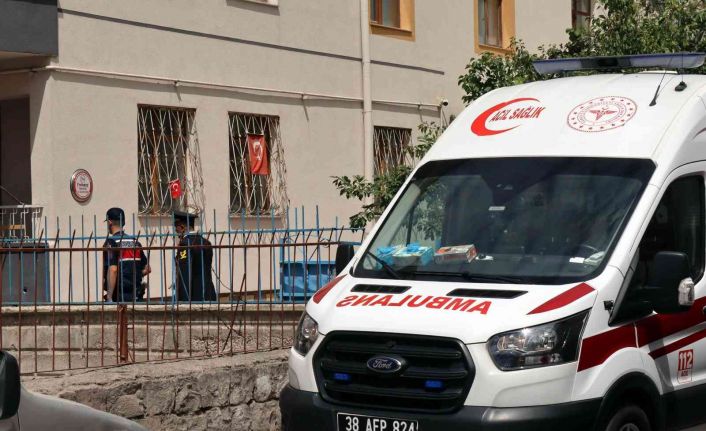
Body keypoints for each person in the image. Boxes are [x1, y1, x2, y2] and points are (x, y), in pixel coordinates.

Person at [102, 207, 150, 302]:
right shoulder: (135, 242)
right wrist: (134, 276)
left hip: (119, 295)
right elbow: (147, 268)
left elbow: (113, 270)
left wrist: (109, 297)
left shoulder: (111, 242)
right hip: (136, 294)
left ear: (110, 222)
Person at [173, 211, 217, 302]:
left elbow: (184, 272)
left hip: (192, 295)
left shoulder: (185, 244)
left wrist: (182, 296)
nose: (177, 234)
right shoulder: (206, 242)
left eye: (177, 231)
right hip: (207, 292)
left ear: (182, 227)